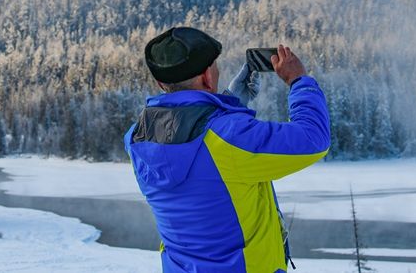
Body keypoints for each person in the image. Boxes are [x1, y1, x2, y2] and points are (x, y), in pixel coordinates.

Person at [123, 27, 330, 273]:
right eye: (214, 66)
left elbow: (194, 146)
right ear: (207, 77)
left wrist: (230, 100)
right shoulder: (229, 138)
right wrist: (299, 82)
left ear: (161, 83)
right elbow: (313, 138)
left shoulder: (138, 136)